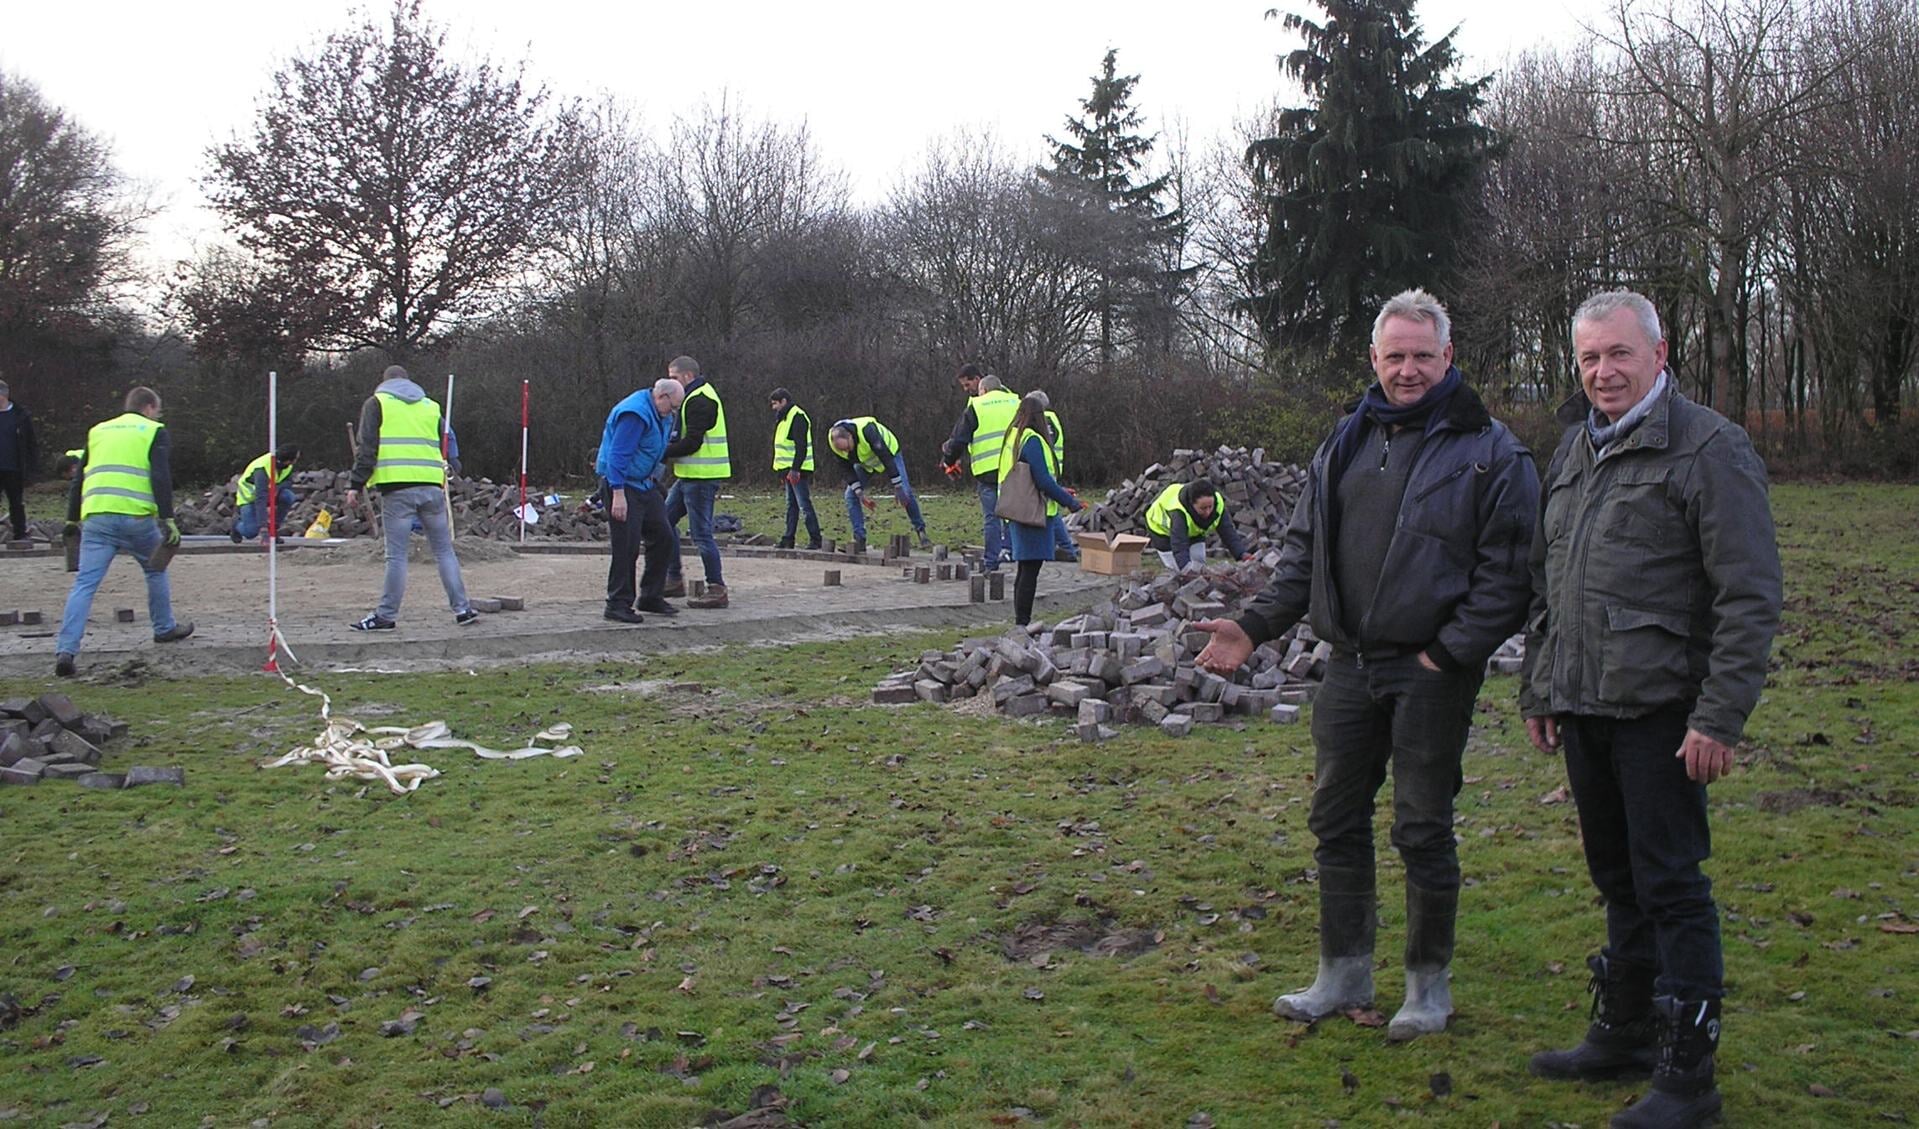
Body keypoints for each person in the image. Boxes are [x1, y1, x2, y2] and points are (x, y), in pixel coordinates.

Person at [1193, 288, 1540, 1042]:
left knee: (1421, 826)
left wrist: (1445, 653)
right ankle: (1342, 969)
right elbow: (1302, 558)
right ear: (1373, 359)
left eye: (1422, 355)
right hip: (1348, 664)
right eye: (1394, 356)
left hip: (1431, 671)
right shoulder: (1344, 441)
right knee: (1335, 817)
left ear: (1447, 357)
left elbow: (1508, 574)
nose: (1407, 370)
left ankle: (1425, 985)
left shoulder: (1490, 452)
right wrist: (1251, 627)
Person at [1521, 291, 1782, 1129]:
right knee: (1615, 876)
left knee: (1670, 883)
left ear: (1658, 353)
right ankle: (1625, 1030)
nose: (1603, 371)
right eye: (1590, 357)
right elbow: (1548, 580)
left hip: (1664, 712)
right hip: (1585, 704)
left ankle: (1687, 1073)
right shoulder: (1571, 450)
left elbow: (1747, 596)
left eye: (1619, 354)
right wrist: (1541, 684)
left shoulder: (1708, 448)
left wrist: (1718, 717)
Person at [54, 386, 195, 676]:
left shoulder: (98, 431)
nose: (158, 415)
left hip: (96, 517)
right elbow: (160, 475)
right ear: (148, 407)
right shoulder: (154, 430)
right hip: (137, 519)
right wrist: (168, 519)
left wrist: (70, 521)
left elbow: (79, 478)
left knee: (85, 584)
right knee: (155, 570)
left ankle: (66, 649)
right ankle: (164, 628)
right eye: (157, 410)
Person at [344, 365, 476, 631]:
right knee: (444, 551)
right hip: (431, 486)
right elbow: (447, 439)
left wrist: (355, 484)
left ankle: (386, 615)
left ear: (384, 382)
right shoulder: (430, 406)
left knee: (396, 556)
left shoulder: (376, 404)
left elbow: (367, 448)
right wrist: (453, 463)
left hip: (397, 488)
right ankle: (463, 609)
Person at [598, 378, 685, 623]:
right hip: (623, 484)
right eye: (674, 406)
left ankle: (651, 596)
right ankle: (617, 603)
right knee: (627, 545)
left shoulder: (662, 414)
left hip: (645, 484)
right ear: (662, 397)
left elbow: (655, 450)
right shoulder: (634, 414)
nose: (674, 412)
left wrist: (656, 479)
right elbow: (617, 455)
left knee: (664, 536)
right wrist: (617, 494)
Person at [996, 392, 1083, 626]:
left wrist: (1061, 490)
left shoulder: (1013, 436)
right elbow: (1043, 480)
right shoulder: (1033, 440)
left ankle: (1020, 621)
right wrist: (1070, 502)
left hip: (1016, 508)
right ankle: (1022, 622)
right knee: (1030, 571)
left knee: (1025, 569)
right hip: (1032, 514)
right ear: (1039, 417)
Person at [660, 356, 731, 609]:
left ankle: (716, 587)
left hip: (701, 476)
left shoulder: (700, 399)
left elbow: (692, 442)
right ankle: (674, 577)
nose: (671, 383)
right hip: (690, 475)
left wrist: (660, 451)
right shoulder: (694, 397)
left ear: (687, 376)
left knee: (701, 533)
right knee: (664, 521)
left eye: (674, 378)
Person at [941, 365, 1019, 571]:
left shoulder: (978, 406)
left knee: (991, 517)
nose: (966, 390)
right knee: (1012, 512)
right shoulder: (1016, 402)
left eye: (968, 385)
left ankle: (991, 562)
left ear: (981, 385)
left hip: (988, 471)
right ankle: (1011, 552)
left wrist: (948, 460)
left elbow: (959, 439)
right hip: (1014, 468)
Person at [826, 416, 931, 554]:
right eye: (842, 450)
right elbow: (846, 469)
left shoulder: (868, 430)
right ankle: (859, 539)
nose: (846, 452)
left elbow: (886, 458)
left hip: (890, 454)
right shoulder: (835, 442)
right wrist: (860, 494)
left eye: (847, 448)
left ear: (851, 436)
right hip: (867, 462)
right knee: (850, 495)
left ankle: (921, 532)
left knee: (905, 493)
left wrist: (898, 486)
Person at [1144, 480, 1250, 571]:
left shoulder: (1218, 504)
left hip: (1194, 530)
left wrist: (1241, 554)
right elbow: (1179, 544)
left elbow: (1228, 533)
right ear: (1192, 504)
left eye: (1210, 506)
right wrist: (1185, 570)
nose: (1208, 512)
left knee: (1199, 563)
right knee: (1177, 570)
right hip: (1161, 532)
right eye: (1203, 508)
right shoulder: (1179, 512)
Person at [769, 387, 821, 550]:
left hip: (797, 470)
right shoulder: (784, 418)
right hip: (789, 469)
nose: (774, 408)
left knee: (803, 504)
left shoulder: (797, 417)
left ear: (784, 401)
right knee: (791, 505)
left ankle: (815, 539)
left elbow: (801, 447)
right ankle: (788, 538)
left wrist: (795, 469)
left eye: (775, 404)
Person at [230, 446, 300, 543]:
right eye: (295, 458)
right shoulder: (261, 469)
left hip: (268, 493)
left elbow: (288, 482)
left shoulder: (286, 466)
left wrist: (277, 488)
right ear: (288, 460)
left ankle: (274, 528)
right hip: (249, 498)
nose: (296, 461)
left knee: (288, 496)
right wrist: (264, 530)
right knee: (251, 532)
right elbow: (260, 499)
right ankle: (236, 526)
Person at [0, 377, 38, 541]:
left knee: (16, 503)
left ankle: (20, 534)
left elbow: (31, 443)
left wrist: (31, 468)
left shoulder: (20, 415)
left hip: (14, 467)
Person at [1043, 404, 1079, 562]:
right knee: (1051, 512)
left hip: (1045, 470)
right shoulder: (1052, 418)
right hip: (1052, 469)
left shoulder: (1044, 421)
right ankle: (1066, 549)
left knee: (1049, 514)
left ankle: (1056, 551)